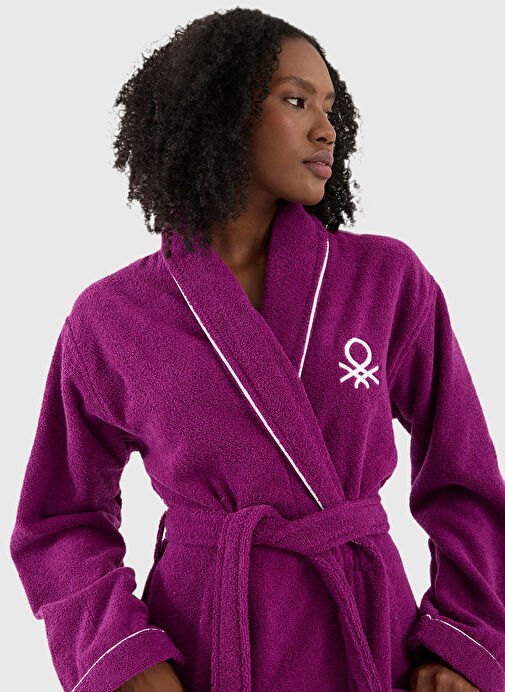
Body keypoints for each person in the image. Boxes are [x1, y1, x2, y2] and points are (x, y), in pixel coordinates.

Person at [9, 7, 504, 692]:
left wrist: (465, 641)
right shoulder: (111, 315)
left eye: (330, 107)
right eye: (296, 101)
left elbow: (465, 477)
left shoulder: (386, 278)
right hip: (203, 649)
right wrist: (122, 655)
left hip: (364, 637)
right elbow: (59, 519)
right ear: (218, 113)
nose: (326, 129)